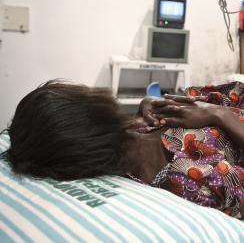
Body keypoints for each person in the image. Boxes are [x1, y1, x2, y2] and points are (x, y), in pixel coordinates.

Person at [1, 80, 244, 219]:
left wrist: (143, 110)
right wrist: (219, 115)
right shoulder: (193, 182)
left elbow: (231, 94)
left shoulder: (134, 132)